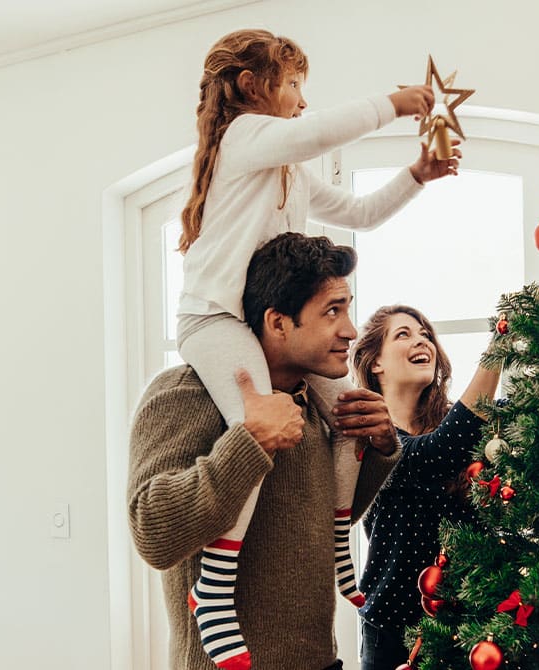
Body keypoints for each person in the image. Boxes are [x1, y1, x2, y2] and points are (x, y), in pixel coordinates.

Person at [174, 28, 460, 669]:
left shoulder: (289, 173)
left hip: (259, 324)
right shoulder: (242, 138)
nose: (303, 100)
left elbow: (359, 212)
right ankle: (215, 587)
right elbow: (314, 132)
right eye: (295, 84)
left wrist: (417, 174)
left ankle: (339, 545)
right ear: (253, 88)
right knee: (260, 425)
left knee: (354, 413)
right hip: (216, 320)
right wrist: (395, 102)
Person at [129, 233, 404, 670]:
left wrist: (381, 447)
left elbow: (315, 521)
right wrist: (250, 443)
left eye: (347, 308)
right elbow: (152, 534)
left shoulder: (313, 401)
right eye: (333, 311)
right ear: (278, 322)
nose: (351, 330)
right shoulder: (185, 392)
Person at [349, 305, 502, 670]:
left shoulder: (463, 428)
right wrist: (503, 341)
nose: (422, 340)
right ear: (375, 363)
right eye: (403, 334)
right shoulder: (370, 437)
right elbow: (433, 456)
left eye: (425, 334)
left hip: (477, 629)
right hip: (396, 637)